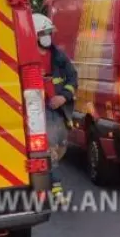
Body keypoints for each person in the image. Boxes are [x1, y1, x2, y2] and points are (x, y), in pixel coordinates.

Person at [33, 13, 78, 204]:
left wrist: (63, 96)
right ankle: (57, 191)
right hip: (36, 110)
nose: (48, 36)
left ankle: (53, 184)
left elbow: (73, 79)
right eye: (44, 32)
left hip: (56, 109)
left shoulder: (59, 57)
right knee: (49, 149)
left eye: (49, 32)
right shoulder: (28, 57)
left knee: (59, 147)